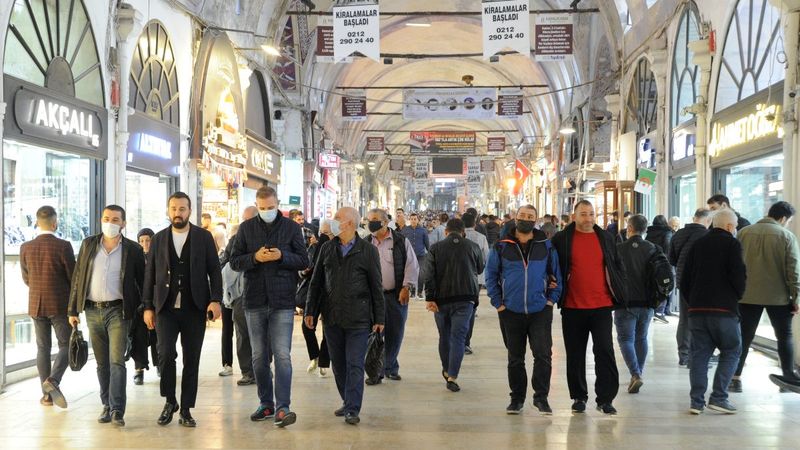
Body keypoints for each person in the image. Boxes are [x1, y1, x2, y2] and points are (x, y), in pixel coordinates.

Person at [229, 186, 309, 427]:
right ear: (257, 206)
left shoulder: (292, 228)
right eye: (262, 208)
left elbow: (304, 260)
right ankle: (266, 403)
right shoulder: (246, 229)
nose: (266, 211)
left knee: (283, 355)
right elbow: (233, 261)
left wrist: (281, 257)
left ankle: (283, 407)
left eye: (271, 208)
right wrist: (255, 258)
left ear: (278, 204)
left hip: (282, 301)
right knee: (258, 356)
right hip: (254, 301)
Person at [142, 192, 223, 428]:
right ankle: (170, 401)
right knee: (165, 355)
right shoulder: (158, 239)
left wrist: (215, 300)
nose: (178, 213)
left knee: (192, 359)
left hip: (194, 307)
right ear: (169, 211)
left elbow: (215, 271)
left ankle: (186, 408)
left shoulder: (203, 237)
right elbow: (150, 276)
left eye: (182, 209)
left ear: (190, 211)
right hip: (165, 308)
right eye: (174, 208)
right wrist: (147, 306)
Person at [305, 207, 385, 425]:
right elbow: (316, 282)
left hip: (358, 318)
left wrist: (380, 318)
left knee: (355, 363)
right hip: (331, 316)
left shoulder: (367, 250)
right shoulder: (327, 248)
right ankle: (347, 399)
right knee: (338, 364)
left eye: (337, 218)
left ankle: (352, 408)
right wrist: (310, 310)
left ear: (349, 223)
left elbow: (376, 286)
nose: (333, 221)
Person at [68, 205, 145, 426]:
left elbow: (142, 282)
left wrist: (142, 309)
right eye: (106, 218)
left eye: (115, 219)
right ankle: (106, 405)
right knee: (102, 363)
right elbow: (78, 278)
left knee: (116, 361)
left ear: (123, 223)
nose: (110, 222)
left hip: (118, 311)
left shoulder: (132, 249)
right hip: (92, 310)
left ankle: (117, 410)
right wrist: (72, 310)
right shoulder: (88, 244)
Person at [551, 200, 626, 415]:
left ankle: (606, 398)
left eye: (591, 214)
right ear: (574, 216)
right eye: (583, 214)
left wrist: (621, 288)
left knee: (605, 351)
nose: (588, 218)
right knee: (575, 354)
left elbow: (617, 265)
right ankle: (578, 396)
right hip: (573, 306)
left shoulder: (606, 237)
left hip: (602, 306)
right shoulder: (562, 239)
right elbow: (551, 264)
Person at [486, 205, 562, 415]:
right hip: (511, 310)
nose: (526, 220)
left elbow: (556, 275)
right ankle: (517, 398)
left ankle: (541, 398)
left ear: (535, 220)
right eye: (522, 216)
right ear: (515, 219)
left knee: (543, 355)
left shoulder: (546, 246)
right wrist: (498, 303)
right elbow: (491, 275)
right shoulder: (501, 246)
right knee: (515, 357)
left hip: (540, 310)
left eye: (530, 217)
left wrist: (550, 301)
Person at [681, 209, 746, 415]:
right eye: (735, 226)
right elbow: (738, 276)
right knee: (732, 351)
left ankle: (696, 402)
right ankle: (719, 397)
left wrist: (694, 302)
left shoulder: (698, 244)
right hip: (724, 310)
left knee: (699, 356)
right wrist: (736, 296)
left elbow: (685, 279)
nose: (735, 229)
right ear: (729, 227)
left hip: (697, 310)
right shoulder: (732, 244)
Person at [730, 201, 800, 392]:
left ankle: (734, 378)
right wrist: (796, 298)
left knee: (743, 336)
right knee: (784, 336)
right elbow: (793, 270)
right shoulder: (786, 236)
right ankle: (787, 378)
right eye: (789, 221)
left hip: (746, 295)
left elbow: (734, 264)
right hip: (779, 297)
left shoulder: (744, 232)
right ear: (783, 218)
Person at [20, 206, 75, 408]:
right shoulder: (63, 246)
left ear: (37, 222)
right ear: (55, 223)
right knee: (66, 345)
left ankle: (46, 396)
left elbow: (27, 278)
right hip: (59, 304)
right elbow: (73, 276)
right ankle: (53, 380)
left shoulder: (25, 247)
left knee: (42, 348)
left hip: (36, 304)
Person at [424, 218, 485, 392]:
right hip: (466, 299)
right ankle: (452, 375)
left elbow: (429, 275)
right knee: (458, 337)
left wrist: (430, 298)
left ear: (446, 232)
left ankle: (445, 368)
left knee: (444, 335)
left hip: (441, 300)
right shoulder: (473, 247)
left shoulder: (435, 248)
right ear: (463, 232)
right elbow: (480, 269)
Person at [615, 215, 670, 394]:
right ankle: (638, 373)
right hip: (647, 302)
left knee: (625, 339)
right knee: (641, 338)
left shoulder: (618, 249)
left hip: (625, 302)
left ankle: (635, 373)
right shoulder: (653, 249)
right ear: (645, 229)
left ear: (628, 228)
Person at [364, 209, 419, 385]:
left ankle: (390, 367)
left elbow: (412, 265)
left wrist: (406, 287)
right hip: (372, 297)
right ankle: (378, 371)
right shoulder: (365, 243)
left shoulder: (400, 241)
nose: (371, 223)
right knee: (375, 333)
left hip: (394, 296)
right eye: (369, 219)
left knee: (395, 333)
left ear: (385, 222)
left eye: (374, 220)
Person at [218, 207, 257, 386]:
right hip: (241, 294)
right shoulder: (235, 240)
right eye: (244, 219)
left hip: (263, 292)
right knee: (242, 334)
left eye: (249, 219)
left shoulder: (269, 236)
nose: (245, 223)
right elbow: (227, 263)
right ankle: (247, 371)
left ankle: (262, 368)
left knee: (263, 334)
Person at [668, 208, 712, 366]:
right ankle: (698, 356)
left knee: (684, 320)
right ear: (708, 220)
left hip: (683, 283)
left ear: (694, 218)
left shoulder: (678, 234)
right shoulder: (708, 235)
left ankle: (683, 355)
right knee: (702, 321)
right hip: (702, 284)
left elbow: (672, 259)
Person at [300, 221, 334, 377]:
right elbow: (308, 267)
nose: (323, 237)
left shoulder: (337, 249)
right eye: (321, 233)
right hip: (314, 293)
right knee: (307, 326)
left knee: (328, 329)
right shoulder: (315, 248)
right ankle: (315, 355)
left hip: (331, 295)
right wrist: (304, 272)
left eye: (326, 234)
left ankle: (324, 362)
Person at [130, 228, 159, 385]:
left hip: (156, 303)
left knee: (157, 336)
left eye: (148, 240)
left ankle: (159, 364)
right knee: (139, 337)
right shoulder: (135, 257)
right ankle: (139, 369)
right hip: (138, 305)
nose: (145, 244)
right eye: (141, 241)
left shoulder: (159, 256)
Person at [462, 213, 489, 355]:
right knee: (470, 309)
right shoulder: (481, 238)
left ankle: (458, 340)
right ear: (474, 224)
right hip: (476, 279)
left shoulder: (456, 237)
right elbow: (485, 257)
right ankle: (466, 342)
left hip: (458, 278)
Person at [646, 215, 674, 323]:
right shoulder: (667, 232)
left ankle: (655, 309)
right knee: (666, 285)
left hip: (651, 262)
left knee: (653, 284)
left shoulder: (649, 232)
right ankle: (661, 311)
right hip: (663, 262)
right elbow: (668, 247)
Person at [401, 212, 430, 300]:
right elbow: (402, 243)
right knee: (411, 273)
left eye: (415, 219)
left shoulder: (423, 230)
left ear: (418, 220)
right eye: (412, 219)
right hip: (409, 255)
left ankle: (420, 292)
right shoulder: (405, 230)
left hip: (421, 255)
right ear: (410, 220)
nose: (413, 221)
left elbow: (427, 244)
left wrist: (430, 254)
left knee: (421, 273)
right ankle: (412, 292)